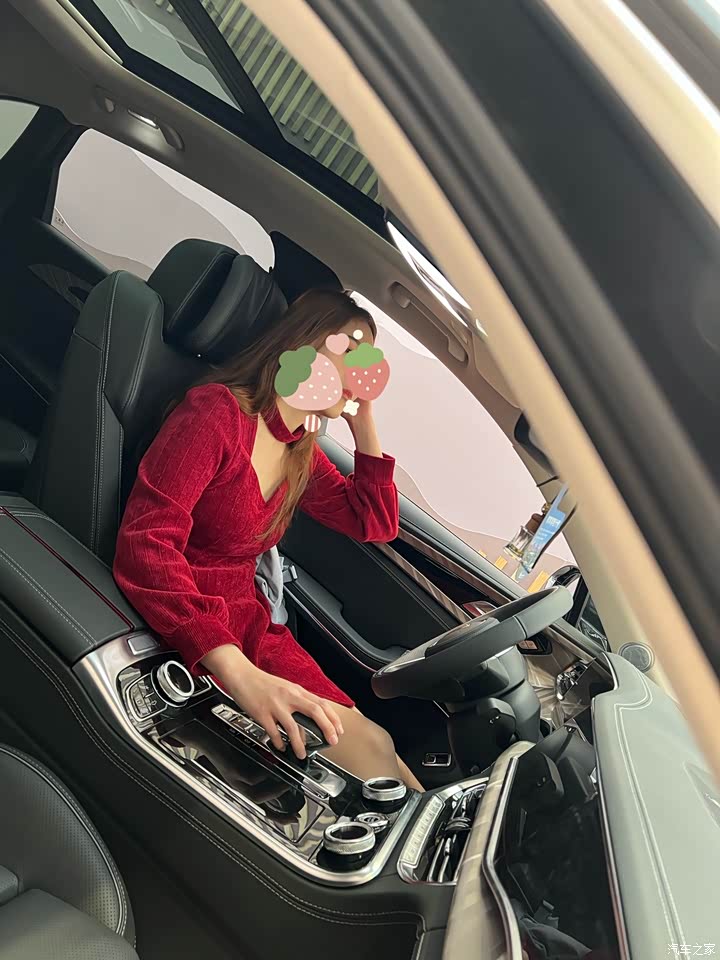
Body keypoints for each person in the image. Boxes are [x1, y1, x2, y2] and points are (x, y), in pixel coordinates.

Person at [113, 288, 424, 792]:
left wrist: (363, 417)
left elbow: (374, 521)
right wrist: (236, 670)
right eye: (350, 351)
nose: (359, 369)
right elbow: (146, 545)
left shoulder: (299, 448)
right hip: (188, 624)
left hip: (252, 625)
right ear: (300, 346)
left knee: (375, 745)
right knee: (362, 761)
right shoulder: (216, 415)